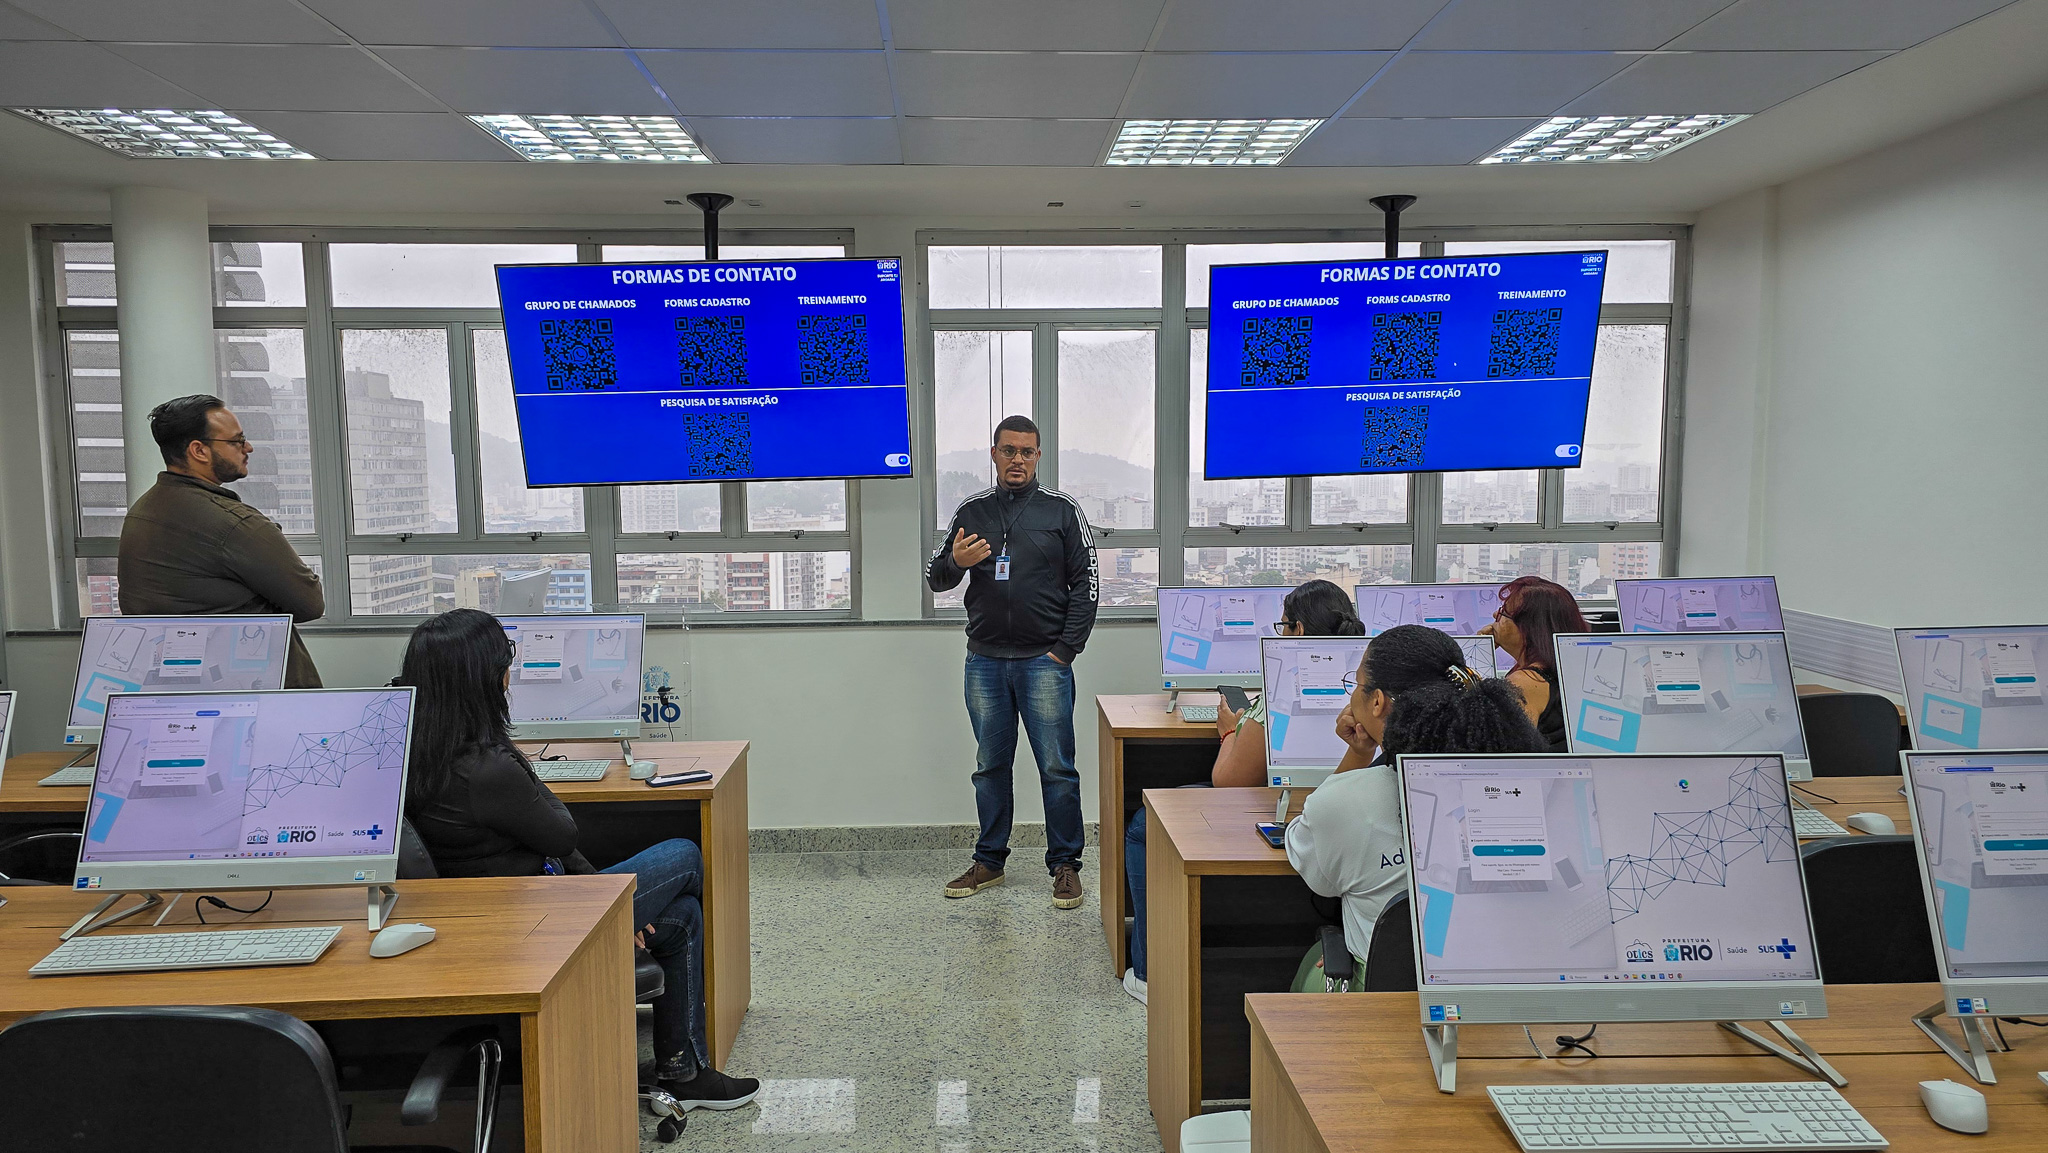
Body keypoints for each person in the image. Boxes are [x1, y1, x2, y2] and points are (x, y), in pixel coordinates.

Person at [396, 609, 758, 1113]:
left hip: (489, 909)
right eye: (506, 664)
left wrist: (611, 902)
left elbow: (553, 842)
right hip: (533, 922)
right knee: (685, 854)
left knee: (680, 919)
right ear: (484, 681)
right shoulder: (486, 767)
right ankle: (683, 1070)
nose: (509, 675)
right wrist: (509, 749)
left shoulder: (412, 750)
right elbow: (561, 830)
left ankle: (682, 1069)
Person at [1120, 580, 1363, 1003]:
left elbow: (1229, 781)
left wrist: (1229, 729)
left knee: (1144, 825)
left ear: (1298, 631)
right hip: (1347, 805)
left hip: (1284, 810)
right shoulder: (1364, 686)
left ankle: (1147, 970)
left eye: (1282, 625)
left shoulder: (1279, 688)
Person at [1284, 625, 1545, 988]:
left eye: (1357, 685)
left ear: (1377, 702)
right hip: (1499, 992)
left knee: (1315, 961)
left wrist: (1358, 754)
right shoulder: (1521, 787)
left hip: (1382, 1000)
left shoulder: (1348, 800)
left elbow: (1310, 860)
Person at [927, 415, 1099, 909]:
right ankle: (989, 862)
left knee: (1057, 769)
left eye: (1026, 452)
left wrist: (1065, 650)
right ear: (995, 454)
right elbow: (936, 578)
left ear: (1039, 456)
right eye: (1009, 451)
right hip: (984, 662)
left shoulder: (1063, 511)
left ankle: (1065, 866)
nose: (1017, 460)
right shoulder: (972, 511)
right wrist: (955, 564)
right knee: (990, 766)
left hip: (1044, 663)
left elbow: (1086, 586)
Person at [116, 394, 325, 688]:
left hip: (171, 688)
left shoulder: (142, 512)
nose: (248, 448)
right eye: (237, 441)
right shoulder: (233, 523)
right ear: (199, 450)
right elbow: (310, 604)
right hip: (250, 693)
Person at [1479, 575, 1590, 752]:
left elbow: (1503, 754)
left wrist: (1475, 654)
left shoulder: (1525, 683)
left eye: (1503, 613)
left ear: (1526, 629)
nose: (1495, 616)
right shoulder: (1572, 667)